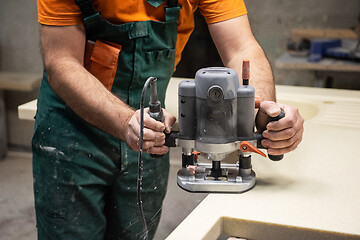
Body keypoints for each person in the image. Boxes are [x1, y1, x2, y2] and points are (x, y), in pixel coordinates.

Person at [34, 0, 304, 239]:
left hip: (150, 135)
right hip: (70, 136)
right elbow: (61, 62)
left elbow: (241, 47)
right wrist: (125, 119)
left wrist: (261, 113)